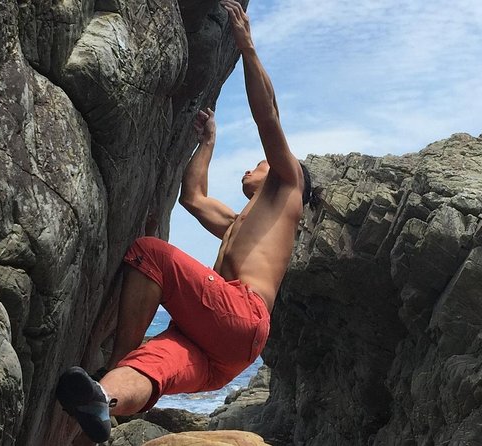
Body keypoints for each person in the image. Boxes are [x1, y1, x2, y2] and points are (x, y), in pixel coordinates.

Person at [55, 0, 314, 442]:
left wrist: (247, 46)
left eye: (259, 164)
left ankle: (120, 357)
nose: (252, 169)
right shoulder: (242, 223)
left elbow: (267, 116)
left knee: (149, 253)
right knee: (152, 366)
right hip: (222, 352)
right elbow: (192, 198)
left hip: (241, 315)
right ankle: (105, 397)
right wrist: (207, 143)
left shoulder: (288, 186)